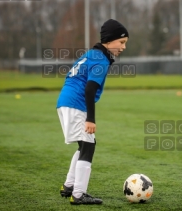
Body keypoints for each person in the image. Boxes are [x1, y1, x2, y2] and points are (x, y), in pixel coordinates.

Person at [56, 19, 129, 205]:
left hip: (66, 102)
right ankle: (79, 195)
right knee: (88, 146)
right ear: (109, 41)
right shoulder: (101, 59)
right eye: (121, 42)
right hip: (75, 103)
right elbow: (89, 89)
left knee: (84, 145)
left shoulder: (92, 54)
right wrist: (90, 119)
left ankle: (69, 186)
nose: (123, 47)